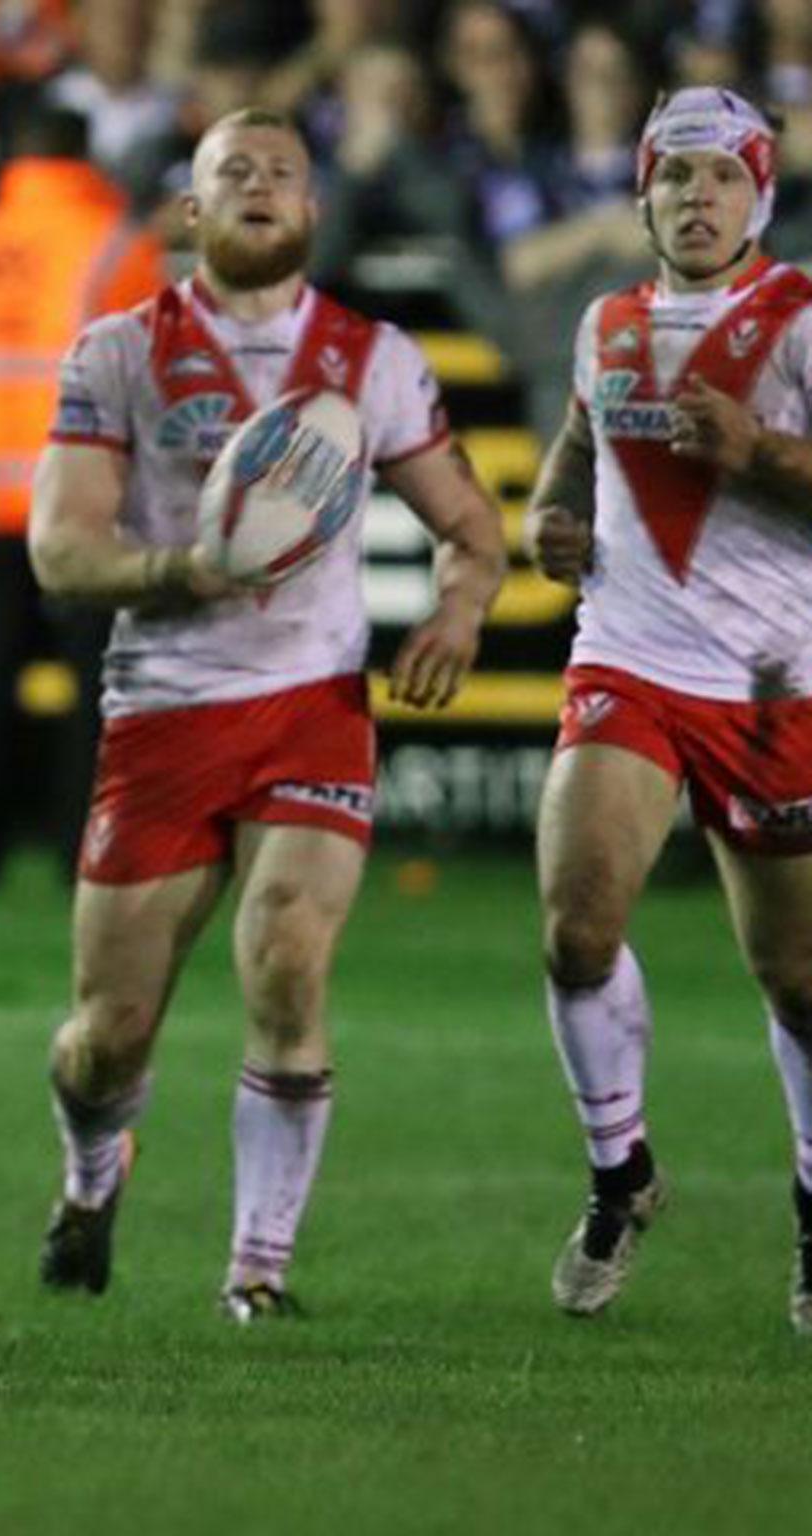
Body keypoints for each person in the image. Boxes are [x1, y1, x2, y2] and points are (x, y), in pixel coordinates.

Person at [28, 107, 507, 1320]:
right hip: (165, 712)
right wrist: (174, 571)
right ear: (189, 213)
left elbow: (471, 532)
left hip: (312, 702)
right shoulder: (116, 354)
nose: (257, 186)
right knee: (107, 1036)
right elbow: (59, 550)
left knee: (288, 968)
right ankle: (91, 1178)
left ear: (309, 211)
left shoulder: (373, 359)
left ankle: (258, 1268)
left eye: (281, 173)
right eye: (228, 171)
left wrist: (455, 614)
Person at [525, 87, 812, 1333]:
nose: (697, 198)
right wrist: (551, 510)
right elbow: (579, 439)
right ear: (638, 193)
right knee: (574, 932)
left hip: (768, 680)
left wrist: (757, 454)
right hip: (626, 659)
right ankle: (618, 1173)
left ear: (760, 194)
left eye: (722, 178)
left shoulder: (799, 318)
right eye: (674, 177)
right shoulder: (607, 321)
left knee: (795, 981)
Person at [0, 104, 164, 884]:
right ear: (84, 154)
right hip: (75, 483)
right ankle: (81, 845)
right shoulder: (116, 244)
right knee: (95, 671)